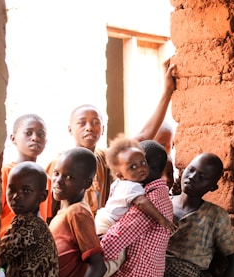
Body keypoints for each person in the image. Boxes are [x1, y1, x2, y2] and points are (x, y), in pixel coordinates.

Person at [46, 60, 177, 218]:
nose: (89, 127)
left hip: (99, 234)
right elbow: (49, 207)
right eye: (82, 123)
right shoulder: (59, 162)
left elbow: (143, 136)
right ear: (69, 129)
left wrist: (167, 92)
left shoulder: (105, 159)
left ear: (102, 130)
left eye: (96, 123)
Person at [80, 140, 173, 277]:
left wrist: (80, 261)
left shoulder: (150, 200)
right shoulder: (157, 195)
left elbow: (115, 241)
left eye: (140, 162)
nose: (137, 167)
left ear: (148, 166)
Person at [159, 152, 234, 277]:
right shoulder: (162, 204)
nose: (192, 177)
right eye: (191, 170)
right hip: (155, 272)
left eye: (202, 177)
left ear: (212, 187)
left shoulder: (215, 216)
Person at [95, 136, 176, 277]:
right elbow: (142, 203)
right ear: (120, 174)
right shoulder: (134, 188)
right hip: (109, 224)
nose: (141, 169)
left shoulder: (120, 183)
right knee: (110, 264)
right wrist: (161, 219)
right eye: (133, 167)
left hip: (102, 218)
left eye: (143, 163)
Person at [48, 147, 107, 277]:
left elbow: (98, 265)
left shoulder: (78, 214)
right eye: (56, 173)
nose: (58, 180)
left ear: (86, 183)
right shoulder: (64, 211)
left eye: (69, 177)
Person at [0, 114, 51, 239]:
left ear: (46, 142)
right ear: (13, 138)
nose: (35, 138)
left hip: (34, 243)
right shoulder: (6, 172)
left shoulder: (46, 179)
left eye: (41, 134)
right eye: (28, 133)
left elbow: (45, 217)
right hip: (9, 243)